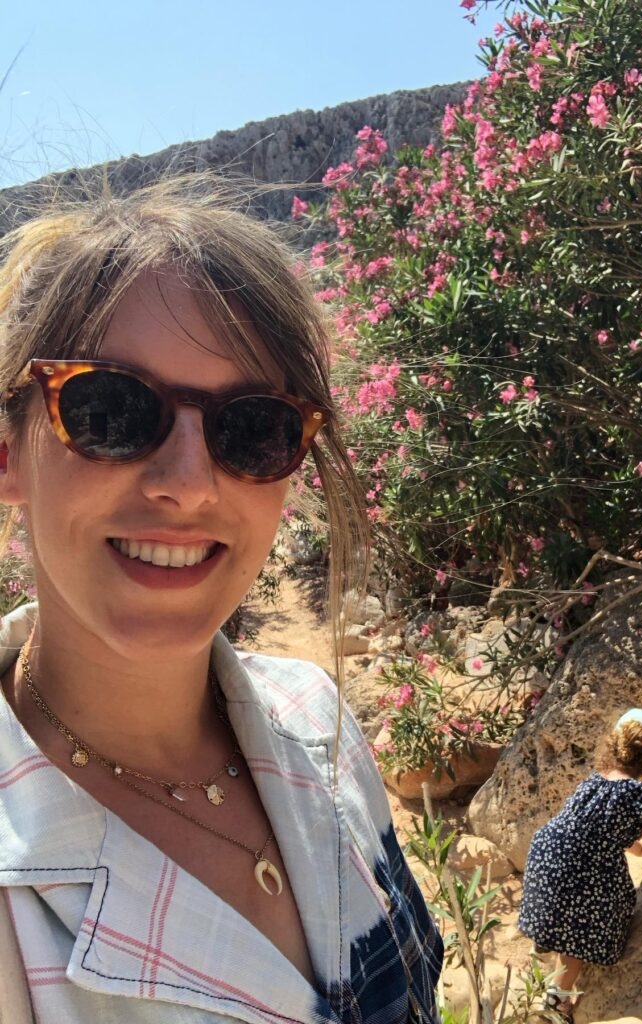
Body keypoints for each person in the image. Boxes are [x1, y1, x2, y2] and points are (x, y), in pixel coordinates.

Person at [0, 175, 443, 1023]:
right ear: (8, 453)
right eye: (111, 410)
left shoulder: (319, 719)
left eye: (253, 426)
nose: (189, 485)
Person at [518, 708, 642, 1023]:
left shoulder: (594, 782)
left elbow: (595, 827)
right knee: (584, 928)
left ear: (615, 743)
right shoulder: (638, 795)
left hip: (547, 854)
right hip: (579, 871)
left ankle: (550, 938)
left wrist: (635, 848)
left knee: (566, 914)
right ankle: (556, 1000)